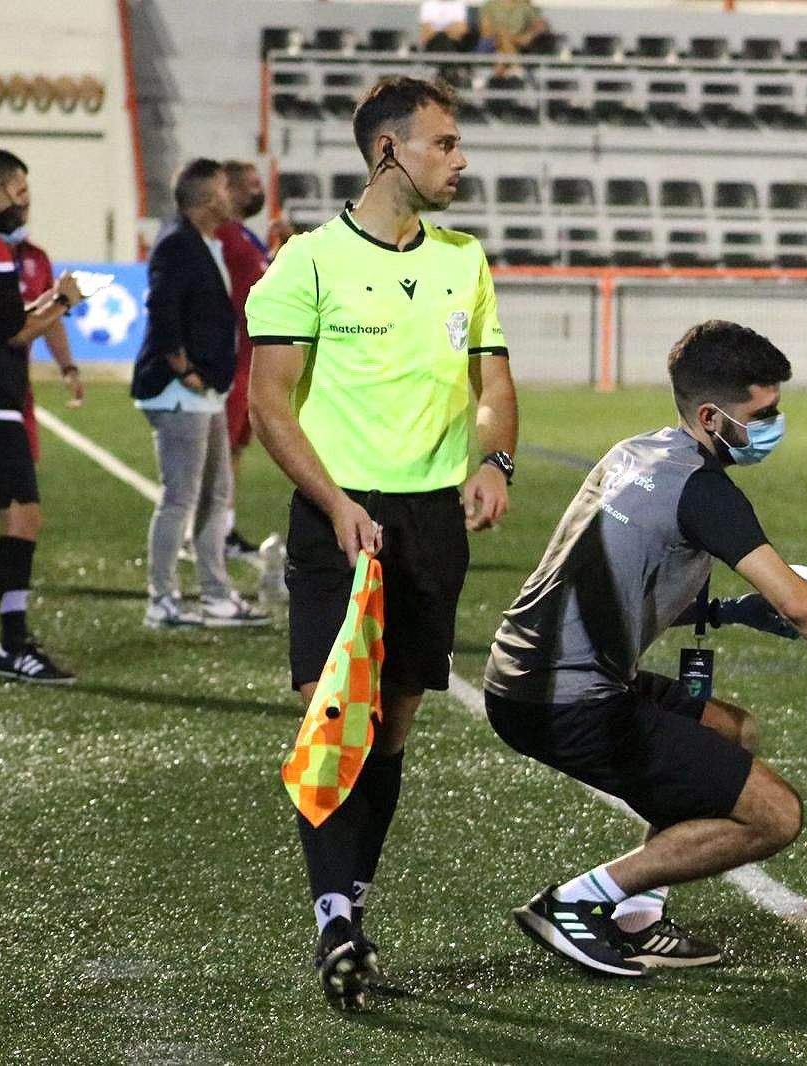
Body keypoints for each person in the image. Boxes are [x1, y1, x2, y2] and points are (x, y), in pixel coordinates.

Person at [481, 319, 807, 979]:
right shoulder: (705, 493)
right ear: (710, 415)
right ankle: (577, 903)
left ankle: (639, 916)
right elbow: (802, 604)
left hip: (529, 676)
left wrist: (729, 610)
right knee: (775, 815)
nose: (774, 424)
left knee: (732, 729)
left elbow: (606, 584)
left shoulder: (635, 454)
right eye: (762, 413)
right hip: (567, 699)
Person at [246, 75, 519, 1010]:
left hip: (431, 518)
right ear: (389, 151)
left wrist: (498, 463)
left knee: (395, 720)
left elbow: (492, 384)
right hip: (341, 514)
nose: (462, 159)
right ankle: (333, 917)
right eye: (445, 143)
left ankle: (348, 914)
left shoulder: (464, 260)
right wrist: (330, 501)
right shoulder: (306, 263)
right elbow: (268, 403)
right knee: (335, 716)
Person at [0, 147, 81, 682]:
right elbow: (11, 334)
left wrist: (44, 304)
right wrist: (65, 303)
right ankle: (12, 642)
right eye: (20, 190)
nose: (23, 201)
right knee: (22, 513)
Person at [131, 158, 269, 631]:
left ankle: (214, 594)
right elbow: (161, 305)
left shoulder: (205, 244)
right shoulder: (176, 246)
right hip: (179, 393)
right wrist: (181, 366)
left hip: (205, 392)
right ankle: (161, 599)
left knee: (214, 494)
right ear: (208, 200)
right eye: (224, 192)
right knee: (180, 497)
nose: (232, 198)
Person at [0, 193, 85, 587]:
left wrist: (68, 366)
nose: (23, 210)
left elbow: (45, 320)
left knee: (16, 486)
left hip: (14, 388)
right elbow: (16, 328)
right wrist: (62, 300)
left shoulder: (35, 257)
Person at [216, 159, 270, 558]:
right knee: (218, 449)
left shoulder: (245, 236)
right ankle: (207, 530)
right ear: (230, 189)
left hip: (250, 361)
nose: (259, 191)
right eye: (251, 185)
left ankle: (225, 528)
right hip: (232, 359)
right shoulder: (224, 237)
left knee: (233, 448)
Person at [478, 0, 553, 76]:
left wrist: (529, 35)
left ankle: (503, 71)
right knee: (503, 36)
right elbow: (486, 30)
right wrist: (509, 38)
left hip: (516, 45)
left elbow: (541, 25)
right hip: (493, 43)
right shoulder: (490, 5)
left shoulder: (524, 6)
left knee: (502, 48)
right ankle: (517, 68)